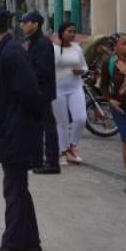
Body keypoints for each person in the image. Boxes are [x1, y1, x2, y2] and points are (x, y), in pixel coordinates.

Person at [0, 4, 43, 251]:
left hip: (16, 132)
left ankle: (12, 247)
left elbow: (31, 95)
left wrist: (20, 126)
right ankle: (31, 244)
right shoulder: (3, 52)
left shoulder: (12, 53)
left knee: (13, 191)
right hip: (13, 130)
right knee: (19, 190)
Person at [19, 11, 59, 175]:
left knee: (47, 127)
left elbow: (43, 71)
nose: (23, 25)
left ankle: (52, 162)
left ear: (35, 24)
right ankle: (36, 159)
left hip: (42, 92)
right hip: (35, 92)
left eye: (26, 22)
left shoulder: (42, 43)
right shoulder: (32, 42)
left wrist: (26, 79)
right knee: (34, 127)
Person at [100, 33, 126, 194]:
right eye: (124, 43)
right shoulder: (109, 63)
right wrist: (110, 100)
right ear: (115, 48)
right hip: (122, 109)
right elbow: (104, 86)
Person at [52, 22, 88, 165]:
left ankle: (72, 147)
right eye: (69, 31)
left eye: (74, 31)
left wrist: (82, 71)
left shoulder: (77, 48)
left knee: (81, 118)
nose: (72, 34)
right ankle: (63, 152)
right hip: (57, 88)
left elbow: (85, 66)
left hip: (75, 87)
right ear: (62, 32)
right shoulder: (53, 49)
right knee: (63, 122)